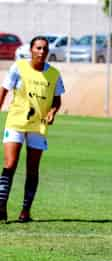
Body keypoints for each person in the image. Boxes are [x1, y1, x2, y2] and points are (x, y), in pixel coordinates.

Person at [0, 36, 65, 223]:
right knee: (10, 164)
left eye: (45, 49)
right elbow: (4, 90)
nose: (42, 52)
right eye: (38, 48)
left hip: (38, 125)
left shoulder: (53, 74)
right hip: (16, 122)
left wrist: (53, 111)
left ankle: (25, 211)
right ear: (31, 50)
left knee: (32, 169)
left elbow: (57, 99)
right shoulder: (18, 67)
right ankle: (1, 206)